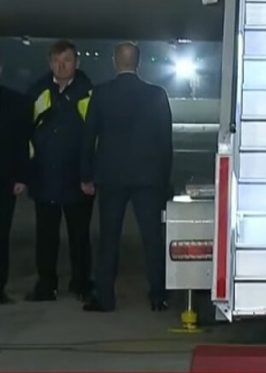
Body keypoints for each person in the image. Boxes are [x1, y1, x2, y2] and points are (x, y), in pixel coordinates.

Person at [80, 42, 173, 312]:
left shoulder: (101, 94)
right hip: (148, 178)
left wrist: (86, 175)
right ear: (138, 62)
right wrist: (164, 180)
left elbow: (89, 137)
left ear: (114, 61)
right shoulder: (157, 94)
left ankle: (105, 297)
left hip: (111, 177)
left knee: (108, 239)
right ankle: (158, 296)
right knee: (152, 238)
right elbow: (165, 142)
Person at [26, 40, 94, 302]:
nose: (61, 66)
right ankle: (46, 285)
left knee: (80, 236)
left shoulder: (89, 94)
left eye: (66, 60)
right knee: (46, 237)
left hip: (78, 179)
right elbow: (26, 132)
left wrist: (90, 175)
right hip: (44, 178)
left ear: (77, 62)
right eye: (56, 61)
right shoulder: (37, 92)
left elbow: (96, 137)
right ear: (49, 63)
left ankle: (81, 283)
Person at [0, 67, 30, 304]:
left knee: (1, 235)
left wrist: (21, 176)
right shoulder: (15, 100)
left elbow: (22, 142)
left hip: (5, 178)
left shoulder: (15, 101)